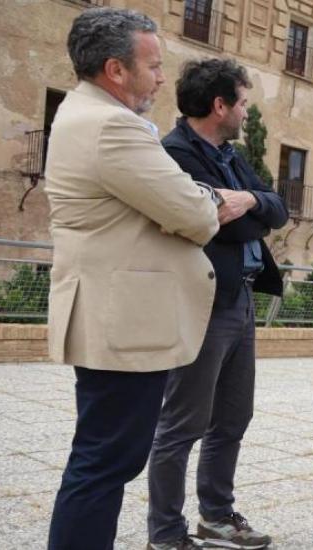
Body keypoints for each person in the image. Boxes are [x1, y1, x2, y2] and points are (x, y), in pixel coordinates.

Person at [44, 8, 221, 550]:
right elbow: (197, 217)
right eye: (154, 66)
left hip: (114, 316)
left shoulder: (82, 112)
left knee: (102, 460)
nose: (163, 78)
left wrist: (187, 201)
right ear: (116, 70)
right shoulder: (112, 126)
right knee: (104, 463)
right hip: (122, 322)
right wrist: (209, 198)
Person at [145, 58, 288, 550]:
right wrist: (253, 208)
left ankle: (217, 517)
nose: (247, 112)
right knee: (183, 423)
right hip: (201, 301)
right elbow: (216, 224)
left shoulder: (230, 156)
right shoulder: (175, 154)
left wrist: (247, 201)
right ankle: (165, 533)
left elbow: (276, 209)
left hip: (241, 298)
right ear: (219, 105)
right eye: (242, 103)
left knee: (233, 417)